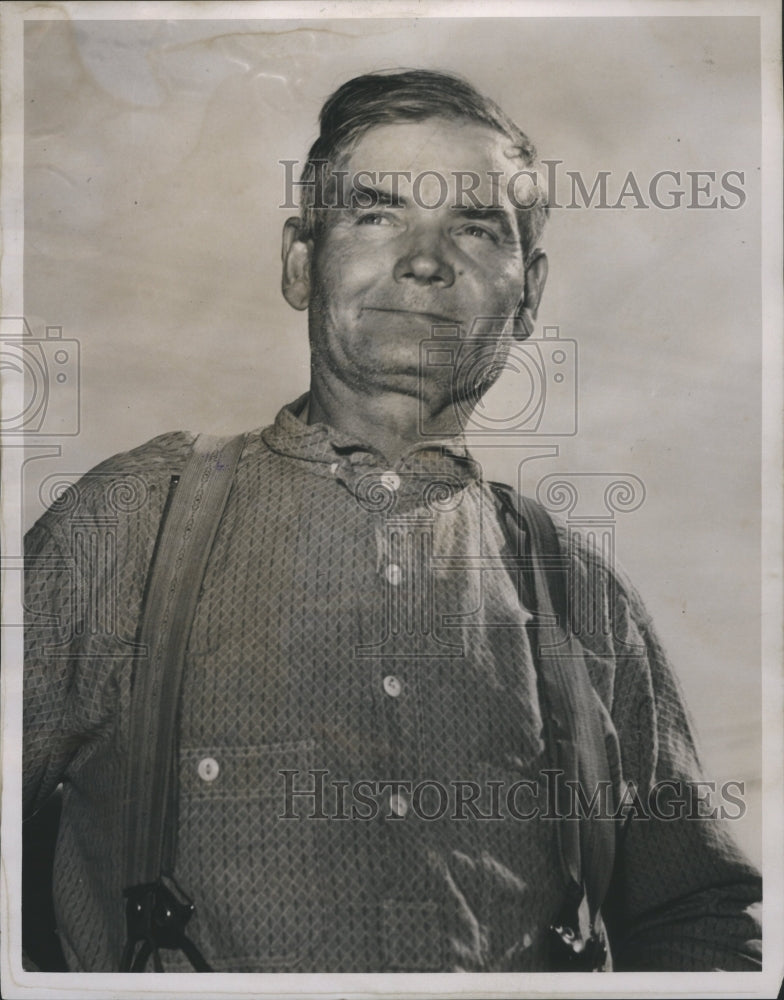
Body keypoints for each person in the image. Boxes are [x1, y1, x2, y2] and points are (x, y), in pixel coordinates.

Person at [23, 69, 761, 974]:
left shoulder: (586, 602)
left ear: (527, 294)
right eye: (378, 214)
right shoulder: (124, 527)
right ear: (301, 261)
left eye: (475, 227)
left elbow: (702, 916)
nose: (424, 260)